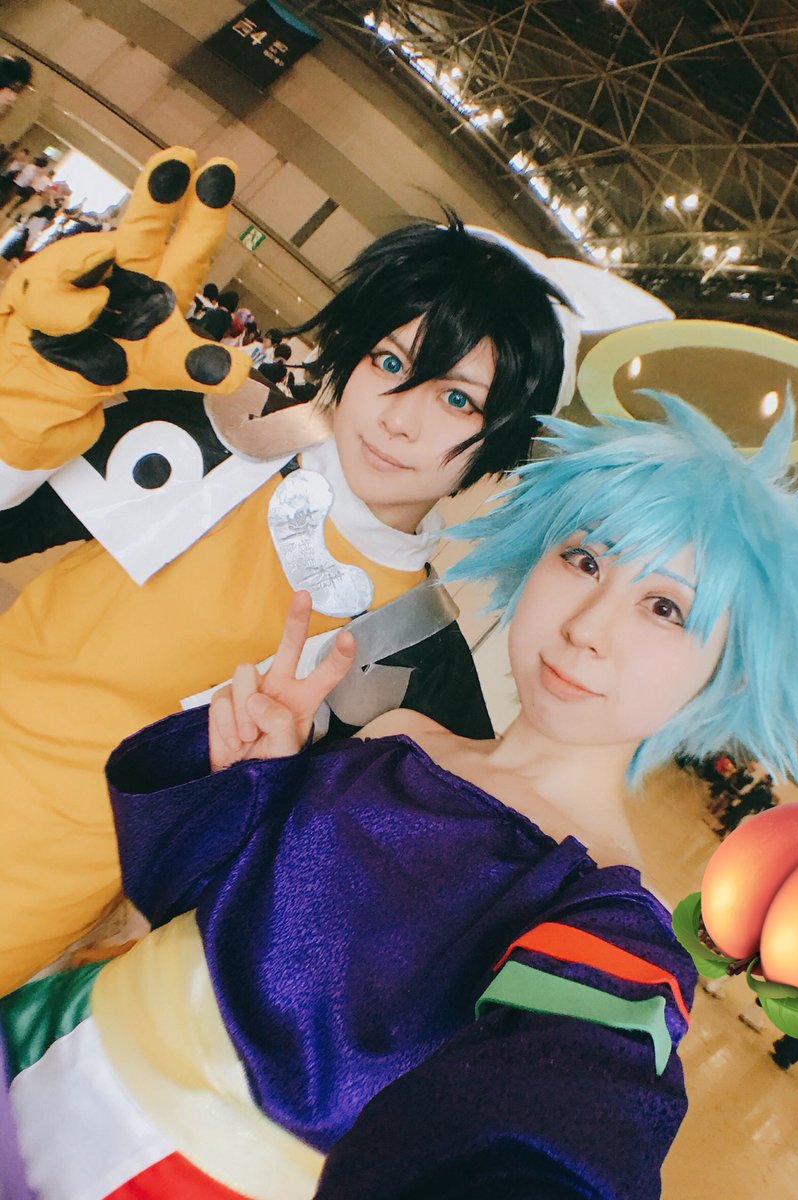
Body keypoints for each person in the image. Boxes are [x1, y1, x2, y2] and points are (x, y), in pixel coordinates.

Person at [0, 392, 798, 1197]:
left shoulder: (603, 918)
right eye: (582, 560)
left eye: (665, 609)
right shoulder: (401, 732)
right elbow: (188, 900)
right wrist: (243, 781)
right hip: (45, 1038)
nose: (586, 627)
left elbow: (561, 1135)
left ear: (727, 676)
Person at [0, 145, 669, 991]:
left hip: (36, 898)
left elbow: (386, 905)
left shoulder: (419, 662)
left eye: (457, 399)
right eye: (389, 364)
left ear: (498, 439)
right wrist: (30, 404)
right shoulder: (214, 436)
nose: (399, 419)